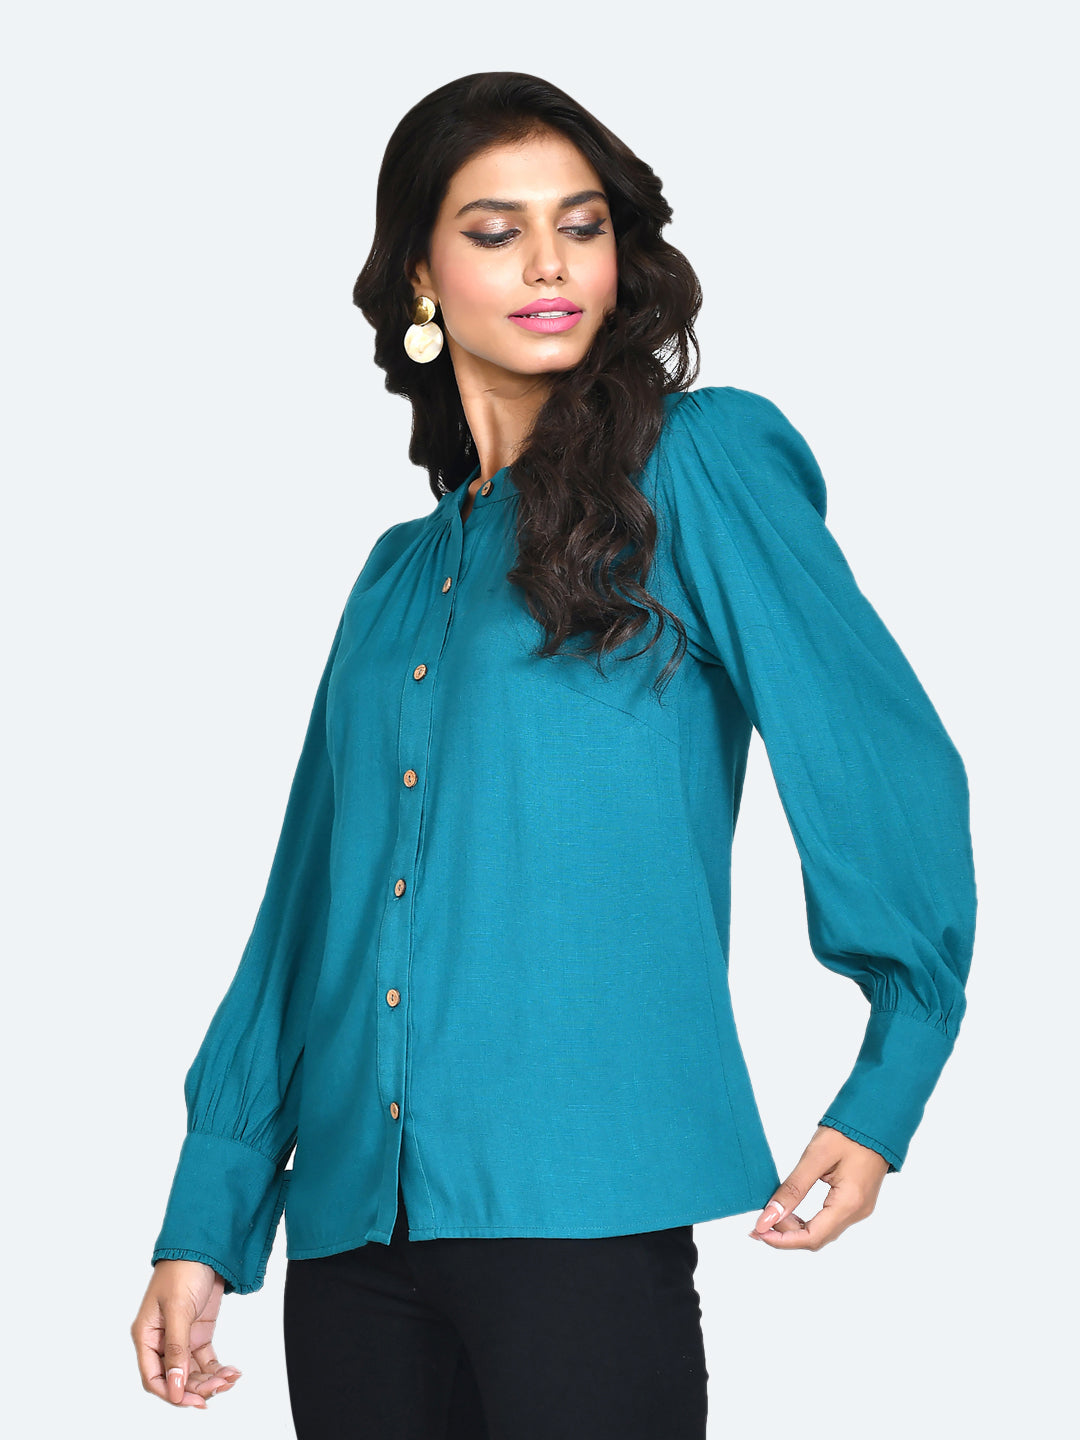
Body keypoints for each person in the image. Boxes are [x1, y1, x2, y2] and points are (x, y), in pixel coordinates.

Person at [131, 71, 977, 1439]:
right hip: (352, 1237)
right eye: (495, 229)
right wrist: (208, 1209)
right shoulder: (394, 577)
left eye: (580, 227)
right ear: (420, 274)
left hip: (581, 1207)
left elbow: (879, 761)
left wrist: (889, 1079)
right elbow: (306, 916)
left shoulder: (696, 467)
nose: (548, 264)